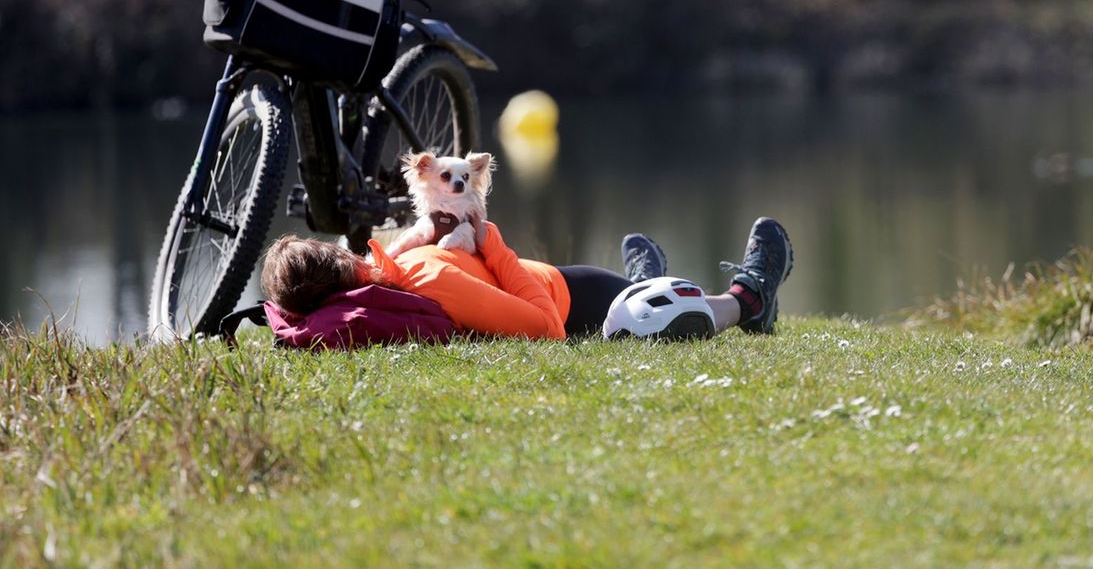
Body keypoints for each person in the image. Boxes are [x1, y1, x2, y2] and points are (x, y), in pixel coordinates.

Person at [260, 217, 793, 340]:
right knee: (664, 313)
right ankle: (750, 297)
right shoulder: (423, 279)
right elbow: (547, 327)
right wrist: (491, 239)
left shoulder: (392, 279)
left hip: (567, 283)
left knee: (642, 293)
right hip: (579, 299)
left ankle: (644, 275)